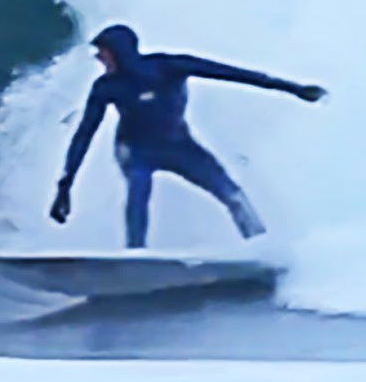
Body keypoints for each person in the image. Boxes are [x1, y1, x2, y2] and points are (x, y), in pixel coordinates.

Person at [49, 23, 327, 248]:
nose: (98, 58)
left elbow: (234, 74)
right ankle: (135, 257)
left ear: (119, 52)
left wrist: (294, 89)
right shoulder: (106, 87)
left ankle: (262, 246)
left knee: (232, 194)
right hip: (135, 151)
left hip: (180, 147)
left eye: (102, 52)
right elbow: (84, 134)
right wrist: (65, 185)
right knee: (138, 194)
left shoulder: (170, 67)